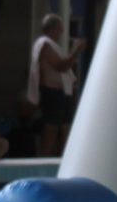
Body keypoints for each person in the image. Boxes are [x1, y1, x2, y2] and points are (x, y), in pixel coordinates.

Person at [29, 13, 80, 156]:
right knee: (51, 129)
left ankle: (64, 158)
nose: (62, 32)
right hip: (52, 92)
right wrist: (75, 51)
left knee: (65, 128)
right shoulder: (45, 44)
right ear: (52, 28)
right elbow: (60, 66)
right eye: (60, 28)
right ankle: (43, 160)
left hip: (63, 93)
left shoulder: (54, 45)